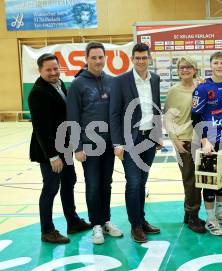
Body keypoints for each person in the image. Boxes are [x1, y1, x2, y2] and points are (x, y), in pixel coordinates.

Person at [29, 53, 91, 244]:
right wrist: (53, 156)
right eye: (48, 70)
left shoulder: (60, 84)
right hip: (50, 152)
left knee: (69, 182)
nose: (53, 72)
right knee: (51, 188)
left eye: (56, 68)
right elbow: (42, 129)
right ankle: (47, 230)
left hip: (65, 149)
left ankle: (72, 221)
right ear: (40, 71)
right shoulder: (37, 93)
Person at [67, 42, 123, 245]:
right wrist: (77, 146)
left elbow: (116, 114)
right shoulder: (77, 85)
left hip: (108, 144)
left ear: (105, 58)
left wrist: (118, 142)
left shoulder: (112, 82)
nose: (98, 61)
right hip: (88, 145)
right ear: (86, 59)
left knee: (106, 185)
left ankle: (106, 221)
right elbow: (72, 117)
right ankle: (96, 225)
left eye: (101, 57)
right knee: (92, 185)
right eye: (94, 57)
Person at [109, 42, 162, 243]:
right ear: (132, 59)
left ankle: (142, 220)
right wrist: (117, 143)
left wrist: (158, 134)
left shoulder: (155, 79)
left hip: (149, 138)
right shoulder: (120, 81)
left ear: (149, 59)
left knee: (142, 182)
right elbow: (114, 114)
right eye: (137, 58)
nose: (141, 61)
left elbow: (156, 109)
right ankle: (135, 226)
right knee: (133, 182)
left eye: (144, 58)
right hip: (129, 140)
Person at [191, 51, 222, 236]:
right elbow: (194, 117)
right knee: (210, 181)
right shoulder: (202, 88)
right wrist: (204, 141)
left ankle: (220, 212)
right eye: (216, 63)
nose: (219, 66)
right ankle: (210, 218)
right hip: (209, 143)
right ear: (210, 66)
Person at [164, 57, 206, 233]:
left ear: (195, 69)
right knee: (190, 181)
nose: (185, 70)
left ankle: (189, 213)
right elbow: (168, 117)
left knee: (199, 180)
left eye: (189, 67)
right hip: (184, 141)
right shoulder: (174, 91)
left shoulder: (202, 88)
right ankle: (193, 217)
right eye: (182, 67)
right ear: (178, 71)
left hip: (201, 141)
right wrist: (175, 139)